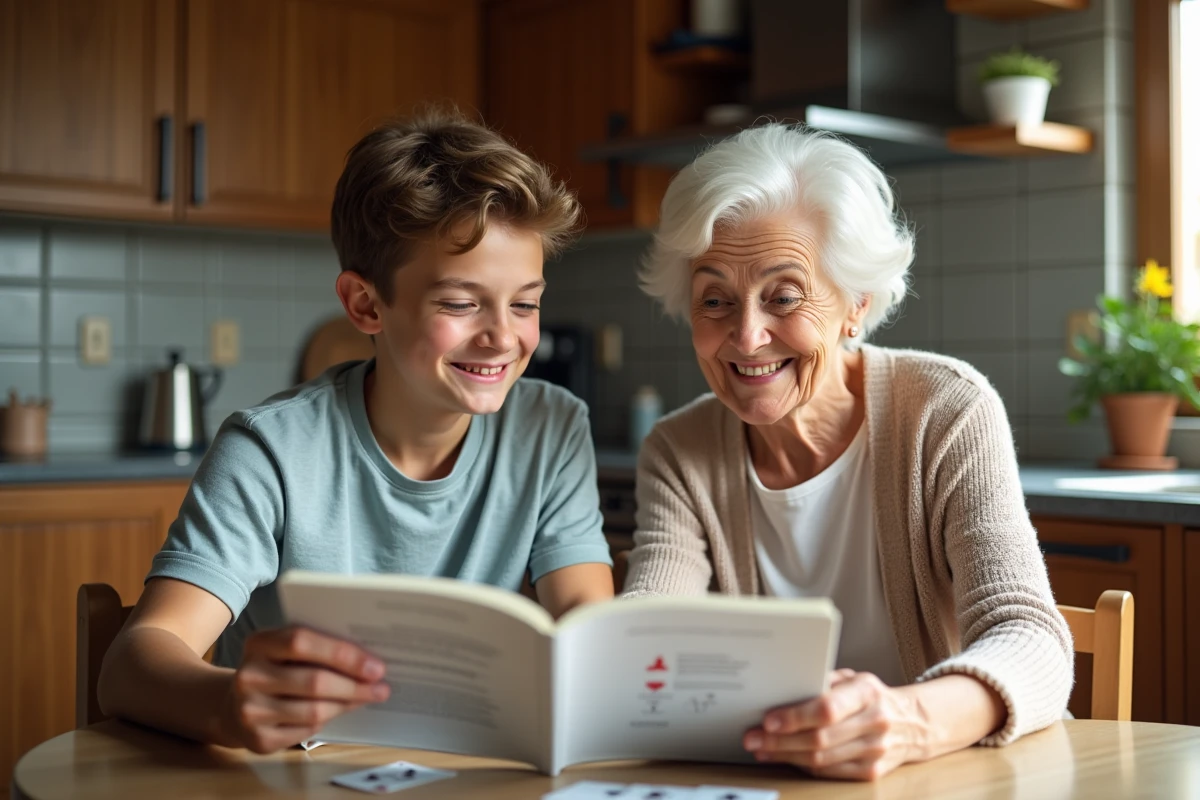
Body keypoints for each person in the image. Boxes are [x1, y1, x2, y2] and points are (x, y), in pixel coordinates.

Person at [98, 111, 615, 753]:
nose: (503, 337)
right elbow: (133, 663)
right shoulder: (270, 451)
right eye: (460, 304)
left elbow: (585, 623)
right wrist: (228, 706)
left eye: (525, 303)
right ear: (366, 304)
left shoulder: (552, 427)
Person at [624, 123, 1072, 780]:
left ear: (855, 304)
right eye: (715, 300)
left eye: (783, 296)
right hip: (771, 781)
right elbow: (646, 633)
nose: (746, 336)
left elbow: (1030, 638)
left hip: (942, 780)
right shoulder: (678, 449)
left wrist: (905, 721)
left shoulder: (946, 411)